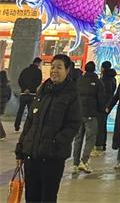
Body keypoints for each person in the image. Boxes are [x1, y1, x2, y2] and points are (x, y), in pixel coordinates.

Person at [15, 54, 81, 203]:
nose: (54, 71)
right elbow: (30, 122)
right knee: (31, 198)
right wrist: (21, 148)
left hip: (52, 158)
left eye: (59, 67)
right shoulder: (42, 91)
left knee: (47, 198)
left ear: (67, 70)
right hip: (32, 156)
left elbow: (73, 124)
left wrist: (55, 143)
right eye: (52, 67)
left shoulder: (71, 94)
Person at [72, 61, 105, 174]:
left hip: (79, 113)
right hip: (91, 113)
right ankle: (84, 161)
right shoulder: (98, 82)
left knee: (78, 138)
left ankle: (75, 164)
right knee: (91, 138)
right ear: (94, 69)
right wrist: (101, 111)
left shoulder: (79, 81)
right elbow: (101, 99)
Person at [93, 60, 117, 155]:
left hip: (102, 106)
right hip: (107, 105)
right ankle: (102, 145)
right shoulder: (112, 79)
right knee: (102, 125)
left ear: (103, 68)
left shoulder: (105, 80)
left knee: (100, 126)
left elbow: (104, 94)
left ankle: (99, 146)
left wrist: (104, 105)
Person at [14, 57, 42, 132]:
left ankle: (16, 126)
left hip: (23, 93)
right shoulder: (38, 71)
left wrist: (24, 89)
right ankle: (29, 127)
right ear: (38, 63)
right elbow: (38, 82)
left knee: (20, 111)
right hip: (32, 94)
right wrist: (31, 89)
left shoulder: (25, 70)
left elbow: (20, 80)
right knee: (30, 112)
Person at [0, 70, 12, 140]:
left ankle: (2, 134)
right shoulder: (8, 86)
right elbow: (9, 96)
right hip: (2, 105)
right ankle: (2, 134)